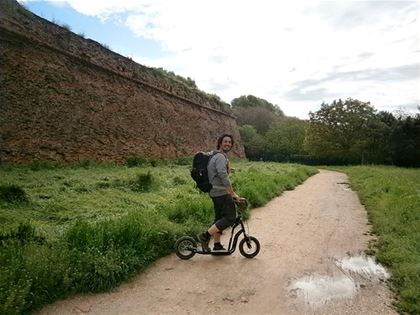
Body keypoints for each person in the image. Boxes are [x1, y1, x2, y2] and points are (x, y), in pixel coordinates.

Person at [197, 134, 241, 252]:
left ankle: (217, 245)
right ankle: (205, 236)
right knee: (230, 217)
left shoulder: (216, 155)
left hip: (214, 191)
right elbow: (222, 175)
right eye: (225, 141)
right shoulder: (221, 157)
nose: (228, 144)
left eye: (230, 142)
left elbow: (217, 170)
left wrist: (230, 169)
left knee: (219, 219)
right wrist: (232, 194)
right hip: (220, 192)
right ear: (220, 143)